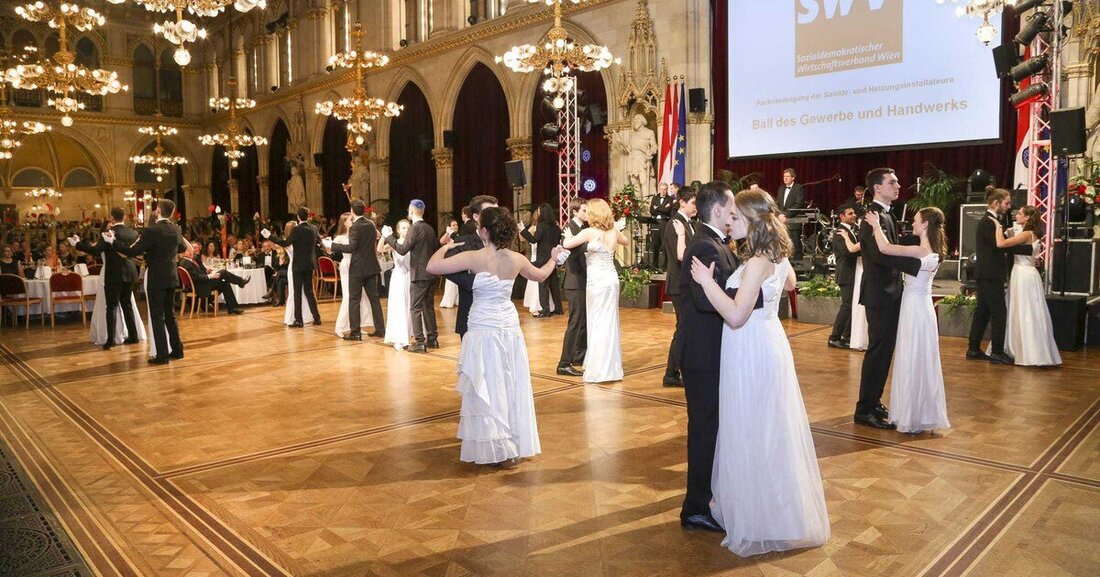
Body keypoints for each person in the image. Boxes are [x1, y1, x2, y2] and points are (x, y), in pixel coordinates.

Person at [687, 188, 829, 556]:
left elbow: (735, 315)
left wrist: (707, 282)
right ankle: (775, 509)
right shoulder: (775, 256)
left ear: (750, 221)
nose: (730, 222)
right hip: (767, 343)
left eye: (736, 218)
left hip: (749, 347)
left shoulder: (755, 262)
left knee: (751, 428)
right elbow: (791, 283)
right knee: (767, 427)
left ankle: (757, 515)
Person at [426, 206, 561, 466]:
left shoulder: (474, 257)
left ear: (484, 230)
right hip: (508, 328)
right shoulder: (517, 259)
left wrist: (447, 245)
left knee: (487, 383)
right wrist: (554, 258)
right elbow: (542, 275)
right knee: (509, 381)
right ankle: (510, 443)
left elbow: (432, 266)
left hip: (482, 327)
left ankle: (493, 445)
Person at [677, 181, 763, 533]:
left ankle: (705, 497)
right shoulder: (703, 244)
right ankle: (695, 507)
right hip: (702, 355)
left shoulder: (714, 243)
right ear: (717, 210)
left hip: (712, 353)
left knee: (712, 428)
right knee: (704, 430)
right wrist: (751, 299)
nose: (733, 216)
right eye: (731, 210)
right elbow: (702, 300)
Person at [864, 207, 950, 434]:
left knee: (912, 358)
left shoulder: (920, 251)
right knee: (922, 360)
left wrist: (875, 225)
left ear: (925, 225)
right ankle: (921, 413)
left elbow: (885, 248)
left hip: (913, 310)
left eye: (915, 220)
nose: (912, 223)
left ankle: (911, 415)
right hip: (923, 310)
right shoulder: (934, 249)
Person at [855, 168, 923, 429]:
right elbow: (880, 256)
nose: (898, 185)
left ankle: (874, 400)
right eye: (892, 182)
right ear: (877, 188)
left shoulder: (886, 215)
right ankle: (864, 409)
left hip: (889, 292)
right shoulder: (871, 216)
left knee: (885, 352)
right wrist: (918, 265)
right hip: (879, 294)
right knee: (878, 352)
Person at [110, 199, 187, 364]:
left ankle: (162, 355)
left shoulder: (151, 231)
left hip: (157, 277)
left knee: (157, 316)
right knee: (170, 315)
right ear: (171, 213)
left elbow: (132, 251)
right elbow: (181, 248)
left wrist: (113, 242)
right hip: (172, 275)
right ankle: (178, 350)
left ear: (158, 210)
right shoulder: (176, 229)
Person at [562, 198, 627, 383]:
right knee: (609, 320)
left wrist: (566, 235)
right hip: (611, 279)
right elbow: (626, 241)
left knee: (597, 321)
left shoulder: (589, 232)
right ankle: (611, 365)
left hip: (597, 282)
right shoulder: (614, 231)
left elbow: (568, 244)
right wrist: (616, 227)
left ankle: (599, 367)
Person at [967, 187, 1033, 365]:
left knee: (983, 311)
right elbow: (1001, 245)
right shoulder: (989, 222)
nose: (1009, 206)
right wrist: (1029, 249)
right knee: (999, 312)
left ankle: (973, 349)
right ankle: (996, 351)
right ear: (996, 203)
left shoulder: (994, 221)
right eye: (1007, 202)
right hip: (989, 273)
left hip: (988, 273)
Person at [991, 206, 1061, 366]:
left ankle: (1028, 351)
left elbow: (1001, 244)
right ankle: (1024, 348)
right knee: (1026, 310)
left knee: (1025, 311)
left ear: (1028, 218)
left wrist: (998, 227)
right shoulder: (1029, 233)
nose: (1017, 214)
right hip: (1026, 274)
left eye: (1021, 213)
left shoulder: (1026, 234)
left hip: (1023, 274)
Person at [74, 207, 141, 349]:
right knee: (127, 305)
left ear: (112, 217)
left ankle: (110, 340)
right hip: (129, 273)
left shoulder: (109, 234)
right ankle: (133, 336)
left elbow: (95, 251)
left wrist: (77, 244)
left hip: (114, 275)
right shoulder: (133, 233)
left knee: (111, 307)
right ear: (124, 217)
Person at [385, 200, 439, 353]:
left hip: (420, 274)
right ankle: (433, 339)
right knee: (428, 306)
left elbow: (402, 249)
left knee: (415, 308)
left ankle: (420, 342)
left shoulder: (415, 228)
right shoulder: (429, 228)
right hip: (431, 273)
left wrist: (389, 236)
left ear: (411, 211)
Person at [329, 200, 386, 340]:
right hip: (371, 267)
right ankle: (380, 329)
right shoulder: (371, 224)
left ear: (353, 211)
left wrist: (333, 246)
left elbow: (351, 248)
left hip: (358, 269)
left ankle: (355, 332)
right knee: (374, 300)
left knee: (354, 300)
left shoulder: (355, 227)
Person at [445, 196, 499, 338]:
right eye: (489, 211)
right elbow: (445, 268)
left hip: (498, 316)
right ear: (476, 216)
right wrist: (473, 281)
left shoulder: (502, 241)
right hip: (471, 310)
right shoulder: (464, 242)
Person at [663, 185, 698, 387]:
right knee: (683, 328)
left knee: (684, 328)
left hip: (685, 283)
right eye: (693, 203)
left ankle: (675, 372)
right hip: (679, 284)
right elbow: (680, 256)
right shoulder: (675, 224)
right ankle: (671, 373)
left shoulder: (688, 223)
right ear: (682, 202)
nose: (696, 207)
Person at [267, 207, 322, 328]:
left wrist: (270, 236)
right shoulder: (314, 228)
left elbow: (285, 244)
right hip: (309, 265)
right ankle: (317, 317)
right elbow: (319, 242)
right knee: (309, 292)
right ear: (308, 216)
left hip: (297, 265)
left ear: (298, 217)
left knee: (297, 293)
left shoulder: (296, 230)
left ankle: (299, 320)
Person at [556, 198, 588, 377]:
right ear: (575, 212)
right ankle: (564, 362)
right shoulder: (570, 229)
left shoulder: (582, 229)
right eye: (584, 210)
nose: (587, 213)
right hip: (574, 281)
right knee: (575, 323)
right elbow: (572, 256)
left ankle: (578, 356)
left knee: (583, 322)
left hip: (582, 281)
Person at [178, 243, 248, 315]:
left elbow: (198, 273)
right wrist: (210, 276)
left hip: (202, 283)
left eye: (191, 250)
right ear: (183, 253)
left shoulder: (190, 260)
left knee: (224, 283)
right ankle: (240, 282)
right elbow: (196, 277)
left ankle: (233, 308)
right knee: (223, 272)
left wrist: (206, 272)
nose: (191, 252)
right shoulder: (186, 262)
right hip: (200, 286)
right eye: (188, 251)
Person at [520, 203, 563, 318]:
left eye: (539, 211)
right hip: (553, 257)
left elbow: (534, 240)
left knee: (543, 284)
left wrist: (523, 230)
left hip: (543, 258)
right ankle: (558, 309)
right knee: (554, 284)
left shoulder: (541, 226)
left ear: (542, 213)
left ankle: (545, 310)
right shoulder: (556, 227)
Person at [829, 205, 861, 349]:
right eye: (850, 213)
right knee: (847, 306)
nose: (854, 215)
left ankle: (846, 336)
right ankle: (834, 337)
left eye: (854, 213)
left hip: (854, 273)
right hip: (846, 274)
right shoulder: (840, 232)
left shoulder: (850, 231)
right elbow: (848, 253)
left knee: (851, 306)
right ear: (842, 216)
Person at [379, 220, 413, 351]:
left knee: (410, 306)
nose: (406, 230)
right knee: (399, 307)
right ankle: (399, 338)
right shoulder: (394, 243)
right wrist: (384, 235)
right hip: (399, 277)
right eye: (403, 228)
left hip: (410, 276)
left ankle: (409, 335)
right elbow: (379, 249)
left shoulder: (411, 242)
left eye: (408, 228)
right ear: (398, 230)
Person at [776, 168, 806, 258]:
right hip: (781, 221)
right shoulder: (781, 188)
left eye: (787, 176)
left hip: (793, 220)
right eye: (784, 176)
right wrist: (779, 214)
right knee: (782, 244)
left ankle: (799, 264)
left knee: (795, 243)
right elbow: (777, 204)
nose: (785, 178)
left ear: (793, 177)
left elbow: (798, 204)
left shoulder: (799, 188)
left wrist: (786, 214)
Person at [649, 182, 676, 269]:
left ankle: (664, 266)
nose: (663, 191)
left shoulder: (670, 199)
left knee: (664, 244)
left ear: (667, 190)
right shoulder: (655, 198)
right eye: (661, 189)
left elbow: (668, 211)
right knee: (655, 244)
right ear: (659, 189)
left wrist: (657, 208)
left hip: (664, 222)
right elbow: (651, 211)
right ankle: (654, 265)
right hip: (655, 222)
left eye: (665, 189)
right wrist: (663, 208)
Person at [439, 220, 461, 309]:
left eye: (456, 225)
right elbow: (441, 241)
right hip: (450, 259)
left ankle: (456, 300)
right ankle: (448, 301)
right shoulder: (449, 236)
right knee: (451, 281)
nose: (455, 226)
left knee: (458, 282)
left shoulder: (459, 235)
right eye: (453, 225)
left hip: (459, 259)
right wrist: (447, 232)